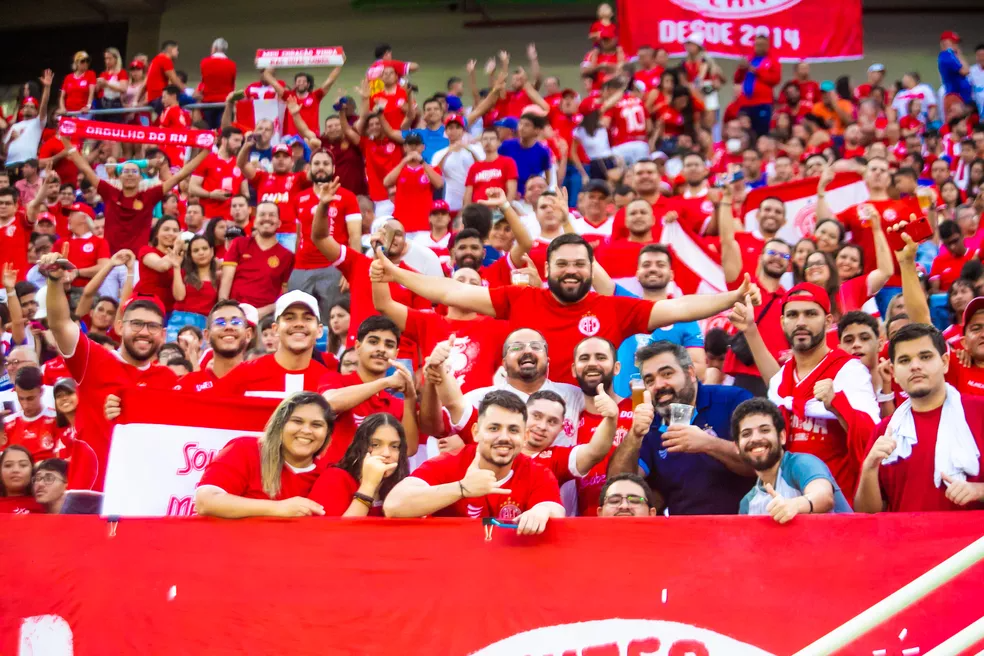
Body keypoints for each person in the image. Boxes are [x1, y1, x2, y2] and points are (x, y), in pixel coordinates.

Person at [370, 232, 759, 386]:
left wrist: (731, 297)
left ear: (591, 269)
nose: (571, 271)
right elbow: (450, 290)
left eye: (579, 264)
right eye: (563, 264)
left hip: (588, 417)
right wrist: (394, 272)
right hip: (523, 413)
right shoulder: (519, 298)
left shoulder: (615, 308)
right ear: (548, 268)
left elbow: (680, 308)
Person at [42, 251, 178, 498]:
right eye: (136, 323)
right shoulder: (92, 359)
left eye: (153, 326)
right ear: (119, 327)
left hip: (142, 498)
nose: (144, 332)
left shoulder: (169, 379)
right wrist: (54, 281)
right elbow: (60, 323)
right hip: (89, 493)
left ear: (164, 334)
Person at [731, 283, 880, 499]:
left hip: (839, 506)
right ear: (783, 322)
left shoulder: (849, 370)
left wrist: (838, 406)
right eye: (792, 315)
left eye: (810, 313)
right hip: (790, 507)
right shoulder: (781, 379)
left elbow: (872, 438)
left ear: (828, 321)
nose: (801, 322)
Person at [383, 390, 565, 535]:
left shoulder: (537, 472)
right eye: (494, 428)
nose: (504, 437)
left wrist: (542, 511)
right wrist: (462, 488)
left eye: (513, 430)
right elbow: (393, 505)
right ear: (476, 432)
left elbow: (554, 509)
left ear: (525, 437)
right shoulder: (448, 463)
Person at [608, 341, 755, 515]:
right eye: (650, 380)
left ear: (691, 373)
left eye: (667, 374)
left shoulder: (733, 400)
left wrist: (708, 444)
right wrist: (634, 435)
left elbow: (758, 464)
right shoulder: (652, 423)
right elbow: (618, 483)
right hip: (683, 534)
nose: (659, 385)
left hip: (741, 528)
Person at [856, 323, 984, 512]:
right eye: (905, 360)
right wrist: (869, 468)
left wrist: (979, 490)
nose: (915, 366)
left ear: (945, 363)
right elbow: (866, 513)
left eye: (925, 357)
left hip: (973, 541)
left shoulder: (979, 412)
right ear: (893, 373)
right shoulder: (885, 431)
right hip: (905, 540)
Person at [194, 392, 334, 518]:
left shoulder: (328, 474)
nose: (306, 430)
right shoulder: (245, 449)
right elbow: (205, 501)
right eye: (297, 421)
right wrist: (278, 508)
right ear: (279, 424)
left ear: (327, 433)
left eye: (317, 425)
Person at [61, 139, 207, 255]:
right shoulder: (109, 192)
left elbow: (180, 175)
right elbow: (86, 169)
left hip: (138, 260)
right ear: (120, 176)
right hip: (110, 260)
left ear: (140, 178)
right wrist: (66, 142)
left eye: (134, 171)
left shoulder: (149, 196)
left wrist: (205, 151)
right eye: (126, 171)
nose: (130, 174)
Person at [733, 398, 853, 520]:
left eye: (764, 430)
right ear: (737, 447)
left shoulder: (801, 463)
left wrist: (794, 505)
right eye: (746, 434)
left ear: (782, 437)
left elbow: (824, 497)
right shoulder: (747, 504)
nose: (755, 439)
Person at [210, 291, 328, 398]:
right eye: (289, 318)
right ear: (275, 329)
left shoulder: (329, 382)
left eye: (307, 318)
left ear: (319, 330)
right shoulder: (244, 374)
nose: (298, 324)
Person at [288, 151, 361, 319]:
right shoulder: (299, 198)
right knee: (300, 318)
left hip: (334, 267)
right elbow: (298, 237)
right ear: (310, 168)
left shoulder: (347, 197)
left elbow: (355, 237)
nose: (321, 167)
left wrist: (351, 270)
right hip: (302, 268)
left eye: (326, 164)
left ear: (333, 168)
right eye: (317, 164)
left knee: (333, 321)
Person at [308, 412, 410, 517]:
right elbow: (336, 532)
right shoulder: (335, 478)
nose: (386, 453)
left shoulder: (399, 486)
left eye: (394, 446)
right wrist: (368, 485)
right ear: (360, 447)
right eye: (375, 445)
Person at [219, 202, 294, 317]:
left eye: (272, 215)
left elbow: (284, 295)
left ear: (279, 223)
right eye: (262, 214)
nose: (267, 218)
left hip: (266, 317)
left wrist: (260, 313)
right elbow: (226, 281)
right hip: (235, 313)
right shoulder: (239, 244)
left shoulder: (287, 256)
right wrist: (224, 309)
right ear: (254, 221)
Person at [189, 126, 248, 221]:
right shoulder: (206, 159)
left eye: (240, 142)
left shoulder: (241, 164)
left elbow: (245, 193)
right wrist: (210, 194)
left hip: (231, 220)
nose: (239, 145)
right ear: (224, 140)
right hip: (208, 218)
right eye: (236, 140)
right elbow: (192, 188)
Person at [169, 235, 219, 340]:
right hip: (179, 323)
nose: (201, 253)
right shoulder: (184, 274)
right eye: (196, 250)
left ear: (212, 251)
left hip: (204, 326)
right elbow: (179, 297)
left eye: (204, 249)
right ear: (190, 255)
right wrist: (176, 267)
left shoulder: (219, 277)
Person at [4, 367, 59, 461]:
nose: (25, 405)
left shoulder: (57, 420)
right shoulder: (7, 424)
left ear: (41, 391)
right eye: (21, 398)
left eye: (30, 398)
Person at [734, 35, 781, 137]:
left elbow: (775, 79)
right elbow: (737, 79)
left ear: (767, 46)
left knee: (761, 131)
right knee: (744, 132)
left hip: (762, 103)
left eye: (761, 45)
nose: (758, 47)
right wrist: (741, 69)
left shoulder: (773, 61)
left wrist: (757, 71)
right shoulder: (749, 59)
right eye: (756, 44)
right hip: (745, 102)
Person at [0, 445, 44, 513]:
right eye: (8, 465)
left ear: (32, 470)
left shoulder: (46, 505)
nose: (15, 470)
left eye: (23, 465)